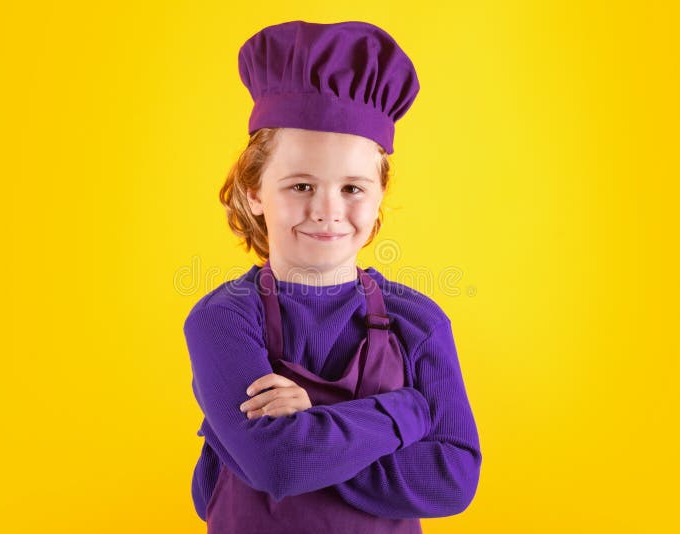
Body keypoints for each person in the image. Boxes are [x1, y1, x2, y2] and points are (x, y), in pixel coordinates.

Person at [183, 20, 482, 533]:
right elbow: (278, 465)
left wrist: (312, 417)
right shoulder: (223, 320)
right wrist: (404, 413)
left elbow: (452, 479)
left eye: (352, 188)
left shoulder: (420, 321)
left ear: (380, 193)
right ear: (255, 191)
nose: (326, 210)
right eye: (300, 185)